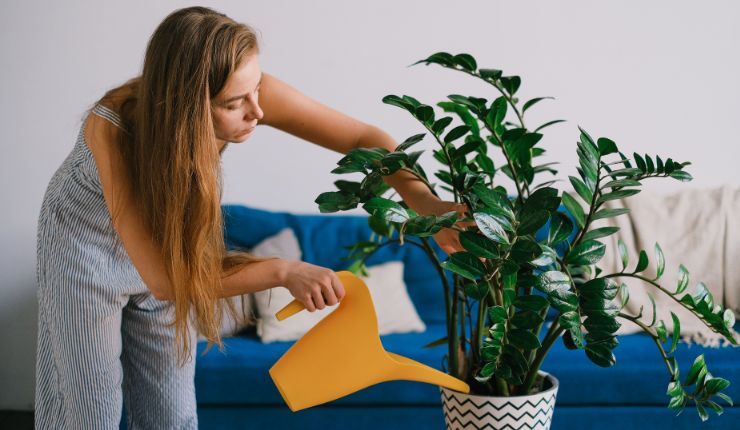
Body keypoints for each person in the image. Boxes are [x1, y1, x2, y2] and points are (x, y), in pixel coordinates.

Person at [34, 6, 467, 429]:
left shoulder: (246, 90)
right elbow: (166, 280)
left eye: (257, 87)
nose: (257, 111)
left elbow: (362, 138)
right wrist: (281, 270)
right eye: (234, 102)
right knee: (91, 410)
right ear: (185, 108)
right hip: (84, 246)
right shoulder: (111, 128)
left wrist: (426, 205)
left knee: (173, 411)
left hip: (164, 248)